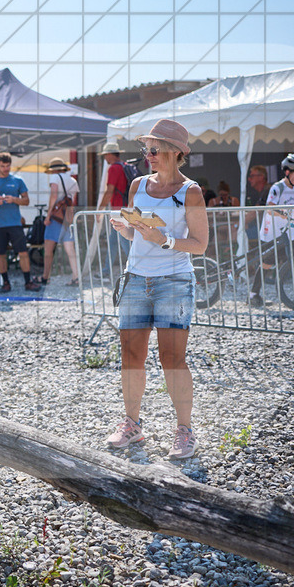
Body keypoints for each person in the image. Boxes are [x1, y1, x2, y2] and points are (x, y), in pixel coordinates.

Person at [106, 119, 208, 460]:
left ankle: (185, 430)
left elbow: (200, 244)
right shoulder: (137, 184)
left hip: (174, 282)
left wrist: (163, 240)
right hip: (136, 278)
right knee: (131, 357)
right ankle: (132, 424)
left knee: (172, 359)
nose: (149, 154)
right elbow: (139, 235)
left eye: (156, 148)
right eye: (146, 148)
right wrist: (126, 229)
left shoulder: (190, 191)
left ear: (176, 152)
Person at [248, 153, 294, 307]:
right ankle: (253, 294)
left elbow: (293, 205)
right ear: (287, 172)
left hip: (288, 229)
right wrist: (283, 213)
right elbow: (270, 208)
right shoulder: (277, 187)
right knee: (267, 263)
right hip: (272, 230)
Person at [0, 153, 39, 292]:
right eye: (3, 166)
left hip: (15, 223)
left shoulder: (18, 180)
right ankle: (5, 282)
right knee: (0, 255)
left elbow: (26, 201)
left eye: (8, 166)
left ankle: (28, 282)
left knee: (23, 252)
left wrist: (14, 199)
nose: (6, 169)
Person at [40, 158, 80, 286]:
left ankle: (46, 277)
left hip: (56, 217)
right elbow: (73, 200)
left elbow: (54, 195)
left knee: (48, 249)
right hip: (68, 217)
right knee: (70, 249)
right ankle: (76, 276)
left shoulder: (55, 178)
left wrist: (48, 215)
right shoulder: (73, 180)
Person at [95, 142, 132, 279]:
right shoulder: (125, 166)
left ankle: (138, 272)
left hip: (119, 211)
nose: (105, 158)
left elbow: (109, 191)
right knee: (113, 242)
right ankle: (106, 270)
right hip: (127, 208)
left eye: (105, 155)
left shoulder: (113, 169)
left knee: (125, 243)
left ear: (109, 154)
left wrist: (100, 209)